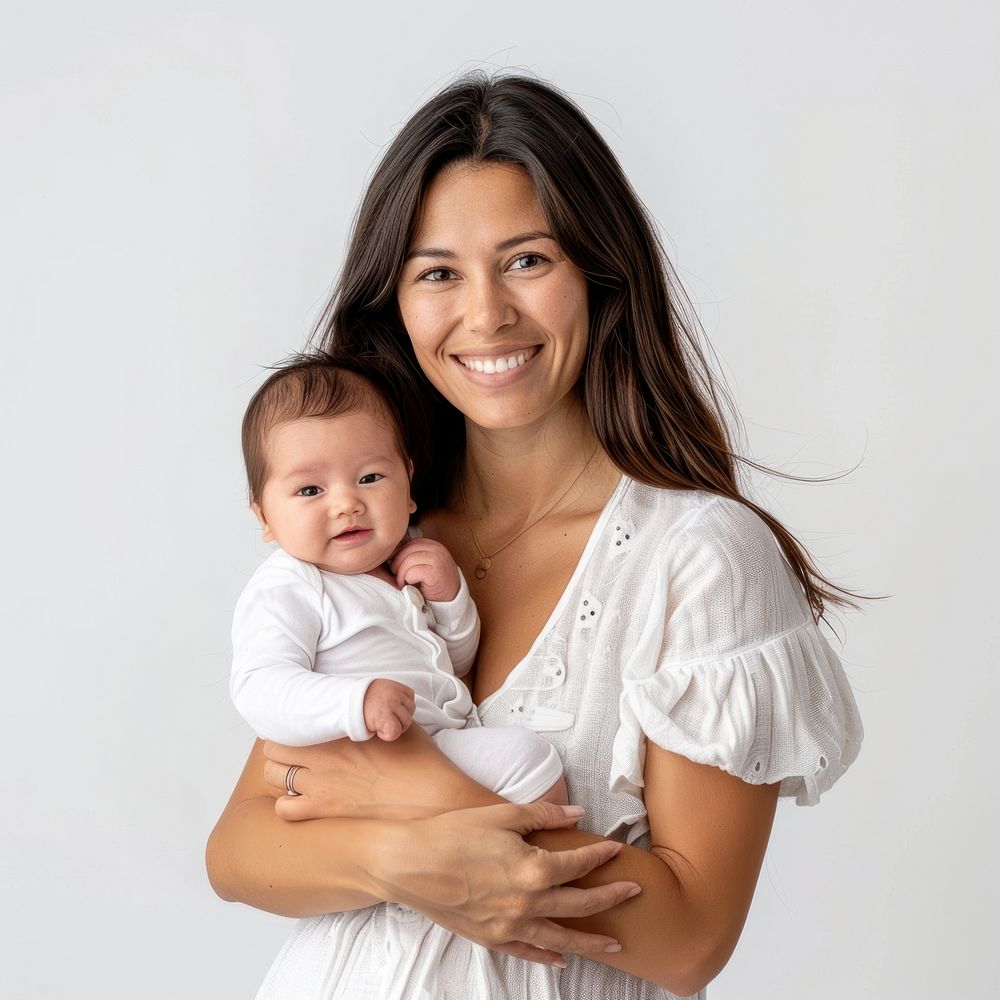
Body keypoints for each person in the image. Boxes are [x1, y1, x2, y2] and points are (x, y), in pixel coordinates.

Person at [207, 73, 864, 1000]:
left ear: (599, 274)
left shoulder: (701, 558)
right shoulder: (371, 536)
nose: (485, 315)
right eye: (438, 272)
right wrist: (404, 857)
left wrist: (402, 794)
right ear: (394, 303)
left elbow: (687, 941)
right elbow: (239, 850)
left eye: (527, 260)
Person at [230, 354, 565, 806]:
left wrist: (450, 598)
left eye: (369, 477)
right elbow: (259, 688)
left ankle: (516, 858)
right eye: (310, 490)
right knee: (528, 759)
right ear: (264, 516)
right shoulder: (291, 586)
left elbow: (457, 664)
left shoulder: (404, 563)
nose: (347, 503)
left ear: (407, 484)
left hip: (434, 742)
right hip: (368, 759)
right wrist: (356, 702)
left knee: (527, 757)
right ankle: (531, 859)